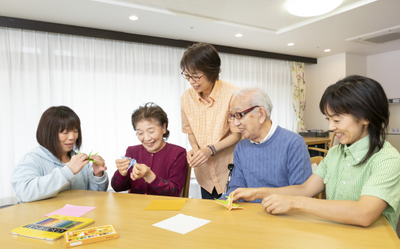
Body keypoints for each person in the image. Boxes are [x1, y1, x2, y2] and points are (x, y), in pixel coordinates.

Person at [232, 75, 400, 231]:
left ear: (365, 117)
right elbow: (305, 189)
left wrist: (294, 203)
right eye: (328, 119)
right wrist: (256, 192)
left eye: (336, 120)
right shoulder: (335, 153)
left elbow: (364, 213)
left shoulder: (387, 159)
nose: (331, 127)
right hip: (336, 237)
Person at [221, 87, 312, 203]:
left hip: (283, 217)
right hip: (248, 216)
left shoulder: (293, 143)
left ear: (261, 114)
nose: (235, 123)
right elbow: (236, 189)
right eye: (233, 116)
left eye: (239, 115)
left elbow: (302, 194)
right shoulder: (241, 147)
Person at [180, 42, 242, 199]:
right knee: (211, 218)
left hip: (230, 170)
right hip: (204, 174)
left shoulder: (232, 94)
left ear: (211, 70)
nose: (191, 81)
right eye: (187, 75)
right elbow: (190, 131)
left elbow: (237, 134)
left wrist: (211, 149)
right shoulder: (186, 98)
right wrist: (195, 147)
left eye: (196, 75)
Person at [11, 106, 109, 203]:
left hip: (78, 216)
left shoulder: (79, 160)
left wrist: (97, 175)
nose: (72, 137)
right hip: (44, 217)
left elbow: (94, 198)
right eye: (65, 132)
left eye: (75, 131)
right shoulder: (32, 159)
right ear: (48, 133)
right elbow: (25, 192)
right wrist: (68, 171)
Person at [112, 103, 187, 196]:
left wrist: (149, 176)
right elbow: (117, 188)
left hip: (164, 208)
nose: (146, 138)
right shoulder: (132, 151)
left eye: (151, 131)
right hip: (135, 207)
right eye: (140, 133)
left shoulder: (178, 153)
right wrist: (121, 173)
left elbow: (174, 192)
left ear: (163, 128)